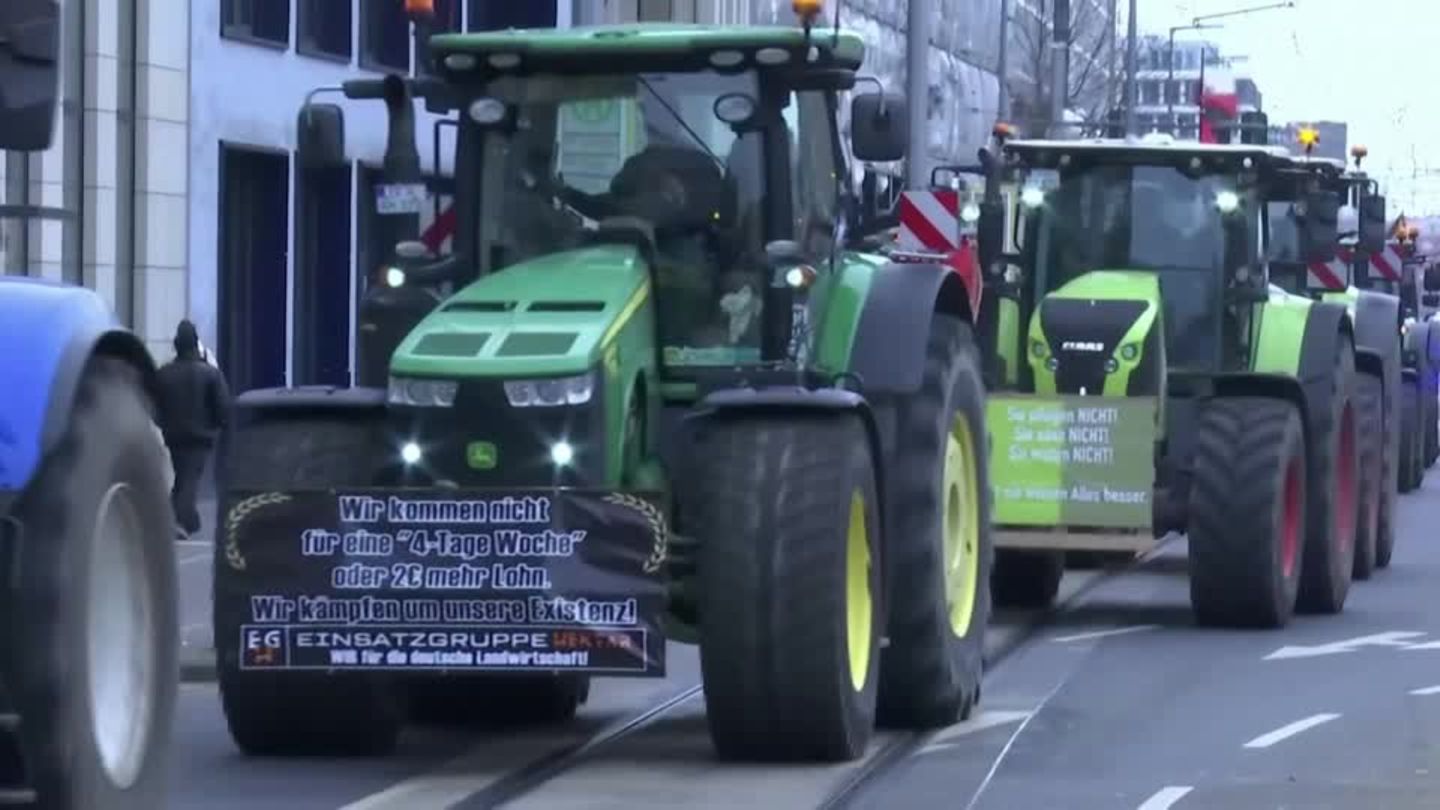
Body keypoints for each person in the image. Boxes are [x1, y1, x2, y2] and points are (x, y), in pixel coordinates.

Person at [155, 319, 230, 539]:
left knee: (182, 476)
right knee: (189, 479)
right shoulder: (210, 374)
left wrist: (163, 423)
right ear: (196, 344)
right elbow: (223, 407)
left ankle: (177, 519)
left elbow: (152, 404)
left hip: (173, 434)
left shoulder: (164, 373)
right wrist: (220, 426)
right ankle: (181, 521)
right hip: (201, 436)